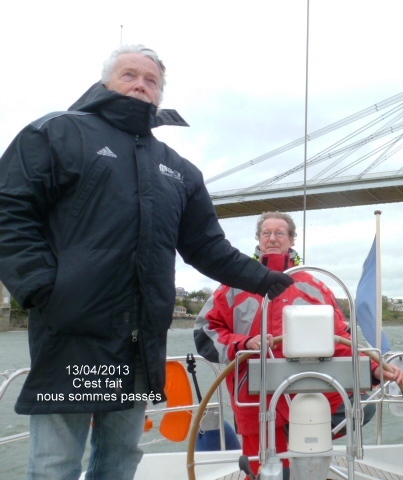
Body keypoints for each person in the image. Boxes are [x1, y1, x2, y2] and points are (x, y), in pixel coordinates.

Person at [0, 45, 293, 480]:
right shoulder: (56, 133)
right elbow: (10, 209)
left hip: (140, 341)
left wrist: (274, 281)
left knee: (121, 456)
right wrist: (42, 289)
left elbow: (207, 247)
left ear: (159, 94)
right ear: (105, 83)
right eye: (129, 75)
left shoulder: (178, 170)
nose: (141, 84)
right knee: (55, 464)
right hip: (72, 332)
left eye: (151, 80)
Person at [194, 211, 403, 477]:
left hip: (311, 392)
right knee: (268, 472)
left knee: (361, 410)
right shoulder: (232, 287)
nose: (272, 238)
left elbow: (342, 340)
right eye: (266, 233)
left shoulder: (314, 287)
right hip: (254, 400)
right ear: (258, 239)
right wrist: (244, 343)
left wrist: (373, 368)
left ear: (292, 239)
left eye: (279, 233)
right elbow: (205, 333)